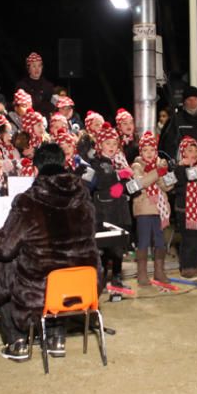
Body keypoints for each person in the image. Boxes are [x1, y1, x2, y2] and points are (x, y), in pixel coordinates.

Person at [0, 143, 100, 362]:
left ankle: (17, 341)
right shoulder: (83, 196)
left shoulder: (28, 201)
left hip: (38, 292)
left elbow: (5, 248)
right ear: (64, 165)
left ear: (35, 170)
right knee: (59, 267)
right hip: (83, 286)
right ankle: (56, 338)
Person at [89, 123, 133, 289]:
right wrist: (118, 175)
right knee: (103, 248)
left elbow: (127, 186)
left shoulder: (120, 161)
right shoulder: (96, 163)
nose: (112, 147)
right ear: (100, 145)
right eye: (108, 143)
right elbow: (100, 181)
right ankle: (100, 281)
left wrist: (124, 184)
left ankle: (116, 278)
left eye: (114, 144)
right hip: (104, 213)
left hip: (119, 211)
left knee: (117, 248)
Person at [131, 131, 173, 286]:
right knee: (143, 241)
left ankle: (159, 271)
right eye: (145, 150)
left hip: (159, 209)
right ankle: (142, 273)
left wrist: (166, 173)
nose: (149, 153)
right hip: (144, 209)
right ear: (141, 152)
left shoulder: (160, 164)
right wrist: (157, 172)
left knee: (160, 242)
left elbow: (169, 186)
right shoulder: (137, 166)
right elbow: (141, 183)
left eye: (152, 150)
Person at [173, 136, 197, 278]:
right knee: (188, 239)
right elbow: (179, 182)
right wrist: (182, 166)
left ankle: (195, 265)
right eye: (190, 150)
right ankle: (186, 267)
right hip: (185, 210)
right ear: (183, 153)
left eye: (196, 151)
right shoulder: (179, 169)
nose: (194, 154)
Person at [14, 51, 56, 117]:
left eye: (39, 66)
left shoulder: (48, 85)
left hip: (45, 118)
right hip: (28, 118)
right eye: (34, 66)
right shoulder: (22, 85)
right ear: (28, 69)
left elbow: (52, 104)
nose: (37, 69)